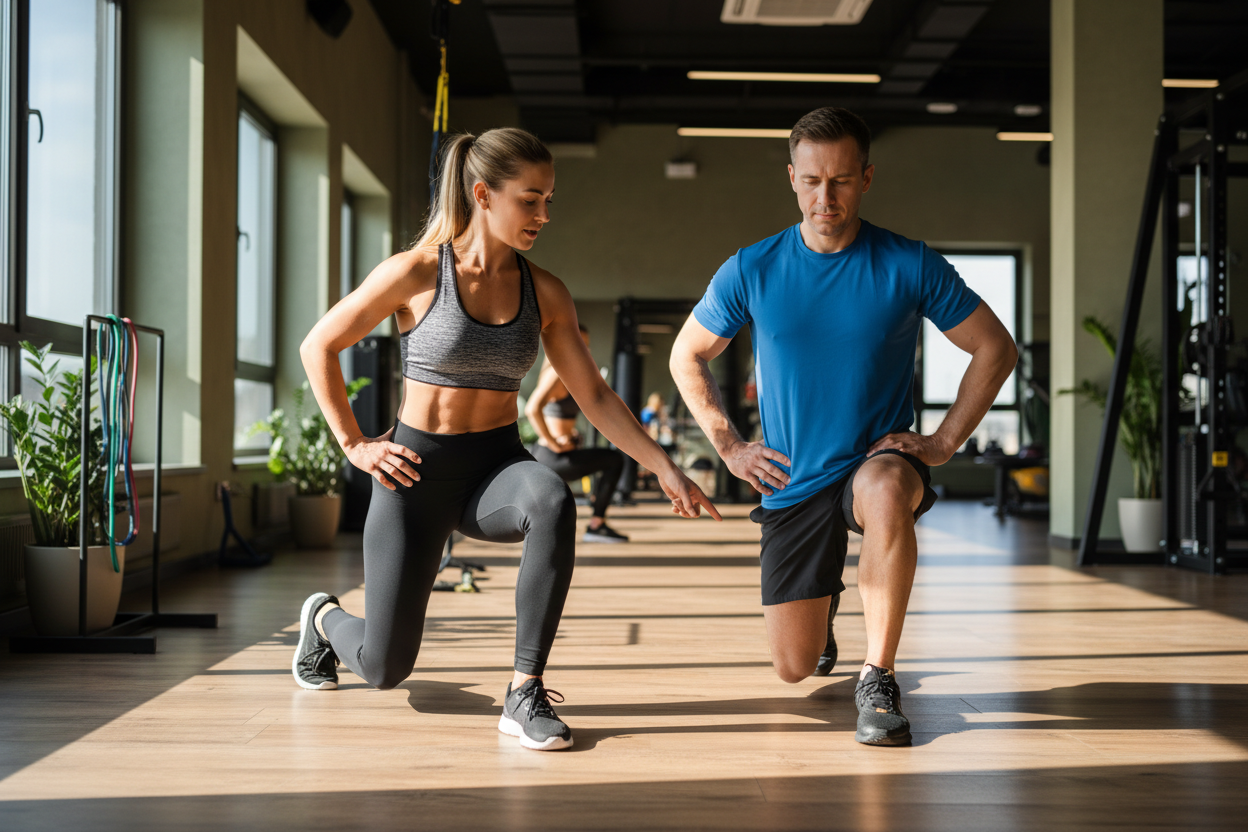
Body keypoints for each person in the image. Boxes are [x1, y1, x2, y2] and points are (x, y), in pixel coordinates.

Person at [295, 127, 720, 752]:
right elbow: (319, 346)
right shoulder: (415, 272)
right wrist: (355, 444)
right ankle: (323, 619)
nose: (543, 214)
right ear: (482, 195)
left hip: (495, 470)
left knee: (551, 497)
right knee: (385, 668)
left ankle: (524, 690)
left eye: (550, 199)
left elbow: (594, 396)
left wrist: (663, 466)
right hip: (414, 474)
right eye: (530, 199)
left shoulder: (544, 291)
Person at [669, 107, 1017, 747]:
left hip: (873, 459)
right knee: (793, 667)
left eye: (841, 181)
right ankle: (821, 612)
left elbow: (995, 347)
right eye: (811, 181)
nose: (824, 198)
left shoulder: (909, 264)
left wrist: (942, 443)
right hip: (792, 476)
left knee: (886, 488)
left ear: (866, 177)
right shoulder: (753, 267)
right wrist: (730, 446)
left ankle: (878, 675)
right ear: (793, 180)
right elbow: (685, 354)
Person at [525, 325, 630, 543]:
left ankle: (596, 521)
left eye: (587, 345)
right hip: (552, 457)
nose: (586, 350)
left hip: (555, 454)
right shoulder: (556, 372)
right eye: (580, 344)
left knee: (610, 459)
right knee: (614, 460)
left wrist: (569, 436)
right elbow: (532, 409)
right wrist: (554, 442)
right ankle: (596, 524)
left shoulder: (565, 371)